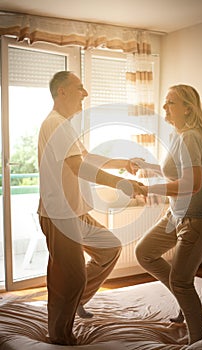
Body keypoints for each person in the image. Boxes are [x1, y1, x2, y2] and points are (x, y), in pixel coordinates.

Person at [37, 70, 145, 345]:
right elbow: (79, 167)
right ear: (62, 92)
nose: (85, 93)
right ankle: (60, 337)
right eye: (79, 87)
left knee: (109, 247)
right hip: (60, 215)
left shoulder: (65, 124)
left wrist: (122, 162)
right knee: (70, 278)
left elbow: (86, 157)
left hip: (75, 211)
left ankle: (77, 301)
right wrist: (121, 184)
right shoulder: (56, 124)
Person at [134, 84, 202, 345]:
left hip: (198, 216)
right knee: (144, 252)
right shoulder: (178, 135)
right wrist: (145, 166)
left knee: (181, 281)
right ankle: (183, 301)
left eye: (171, 102)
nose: (164, 107)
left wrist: (149, 188)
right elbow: (175, 172)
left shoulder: (191, 136)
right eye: (165, 102)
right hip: (177, 213)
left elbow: (192, 184)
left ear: (187, 108)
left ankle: (197, 341)